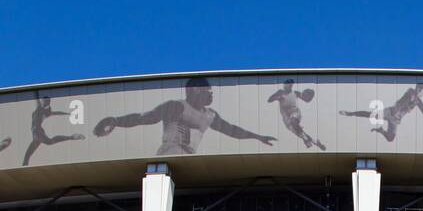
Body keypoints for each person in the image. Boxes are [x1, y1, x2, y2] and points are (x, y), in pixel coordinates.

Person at [94, 77, 276, 155]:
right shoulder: (176, 106)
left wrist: (257, 136)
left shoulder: (210, 115)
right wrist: (116, 121)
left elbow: (232, 130)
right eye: (208, 91)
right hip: (171, 153)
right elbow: (145, 117)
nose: (211, 95)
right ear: (196, 90)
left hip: (190, 157)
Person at [341, 83, 423, 142]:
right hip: (390, 112)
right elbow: (411, 99)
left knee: (390, 138)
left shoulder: (418, 100)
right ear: (418, 88)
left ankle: (381, 131)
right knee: (370, 115)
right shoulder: (411, 92)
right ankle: (350, 113)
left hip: (396, 120)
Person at [22, 94, 85, 166]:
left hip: (38, 132)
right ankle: (72, 137)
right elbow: (57, 112)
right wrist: (68, 113)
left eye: (43, 101)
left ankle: (72, 137)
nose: (42, 101)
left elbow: (56, 112)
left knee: (46, 144)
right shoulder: (42, 109)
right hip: (36, 134)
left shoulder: (42, 110)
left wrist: (68, 113)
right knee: (46, 144)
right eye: (42, 100)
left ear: (45, 103)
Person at [267, 80, 325, 150]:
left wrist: (310, 93)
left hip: (295, 112)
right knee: (300, 132)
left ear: (291, 86)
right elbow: (269, 100)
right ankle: (315, 142)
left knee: (294, 122)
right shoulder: (280, 92)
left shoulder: (295, 93)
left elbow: (306, 99)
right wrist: (277, 98)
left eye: (289, 85)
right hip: (286, 118)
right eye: (285, 84)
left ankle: (306, 140)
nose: (286, 86)